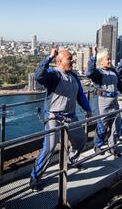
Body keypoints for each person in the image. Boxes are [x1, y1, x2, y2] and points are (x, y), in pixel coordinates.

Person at [30, 47, 92, 191]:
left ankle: (71, 160)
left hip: (71, 117)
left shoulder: (74, 76)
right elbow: (38, 75)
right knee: (50, 147)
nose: (73, 61)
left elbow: (80, 95)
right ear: (59, 61)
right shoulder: (53, 74)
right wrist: (49, 57)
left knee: (81, 141)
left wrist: (88, 110)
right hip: (54, 117)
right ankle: (35, 177)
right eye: (69, 59)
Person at [87, 46, 122, 157]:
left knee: (116, 124)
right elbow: (90, 72)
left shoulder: (113, 72)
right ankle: (97, 145)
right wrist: (93, 55)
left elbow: (120, 86)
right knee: (102, 126)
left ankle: (112, 147)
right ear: (101, 62)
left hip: (114, 101)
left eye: (110, 59)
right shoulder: (98, 73)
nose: (110, 61)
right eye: (108, 59)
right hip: (102, 102)